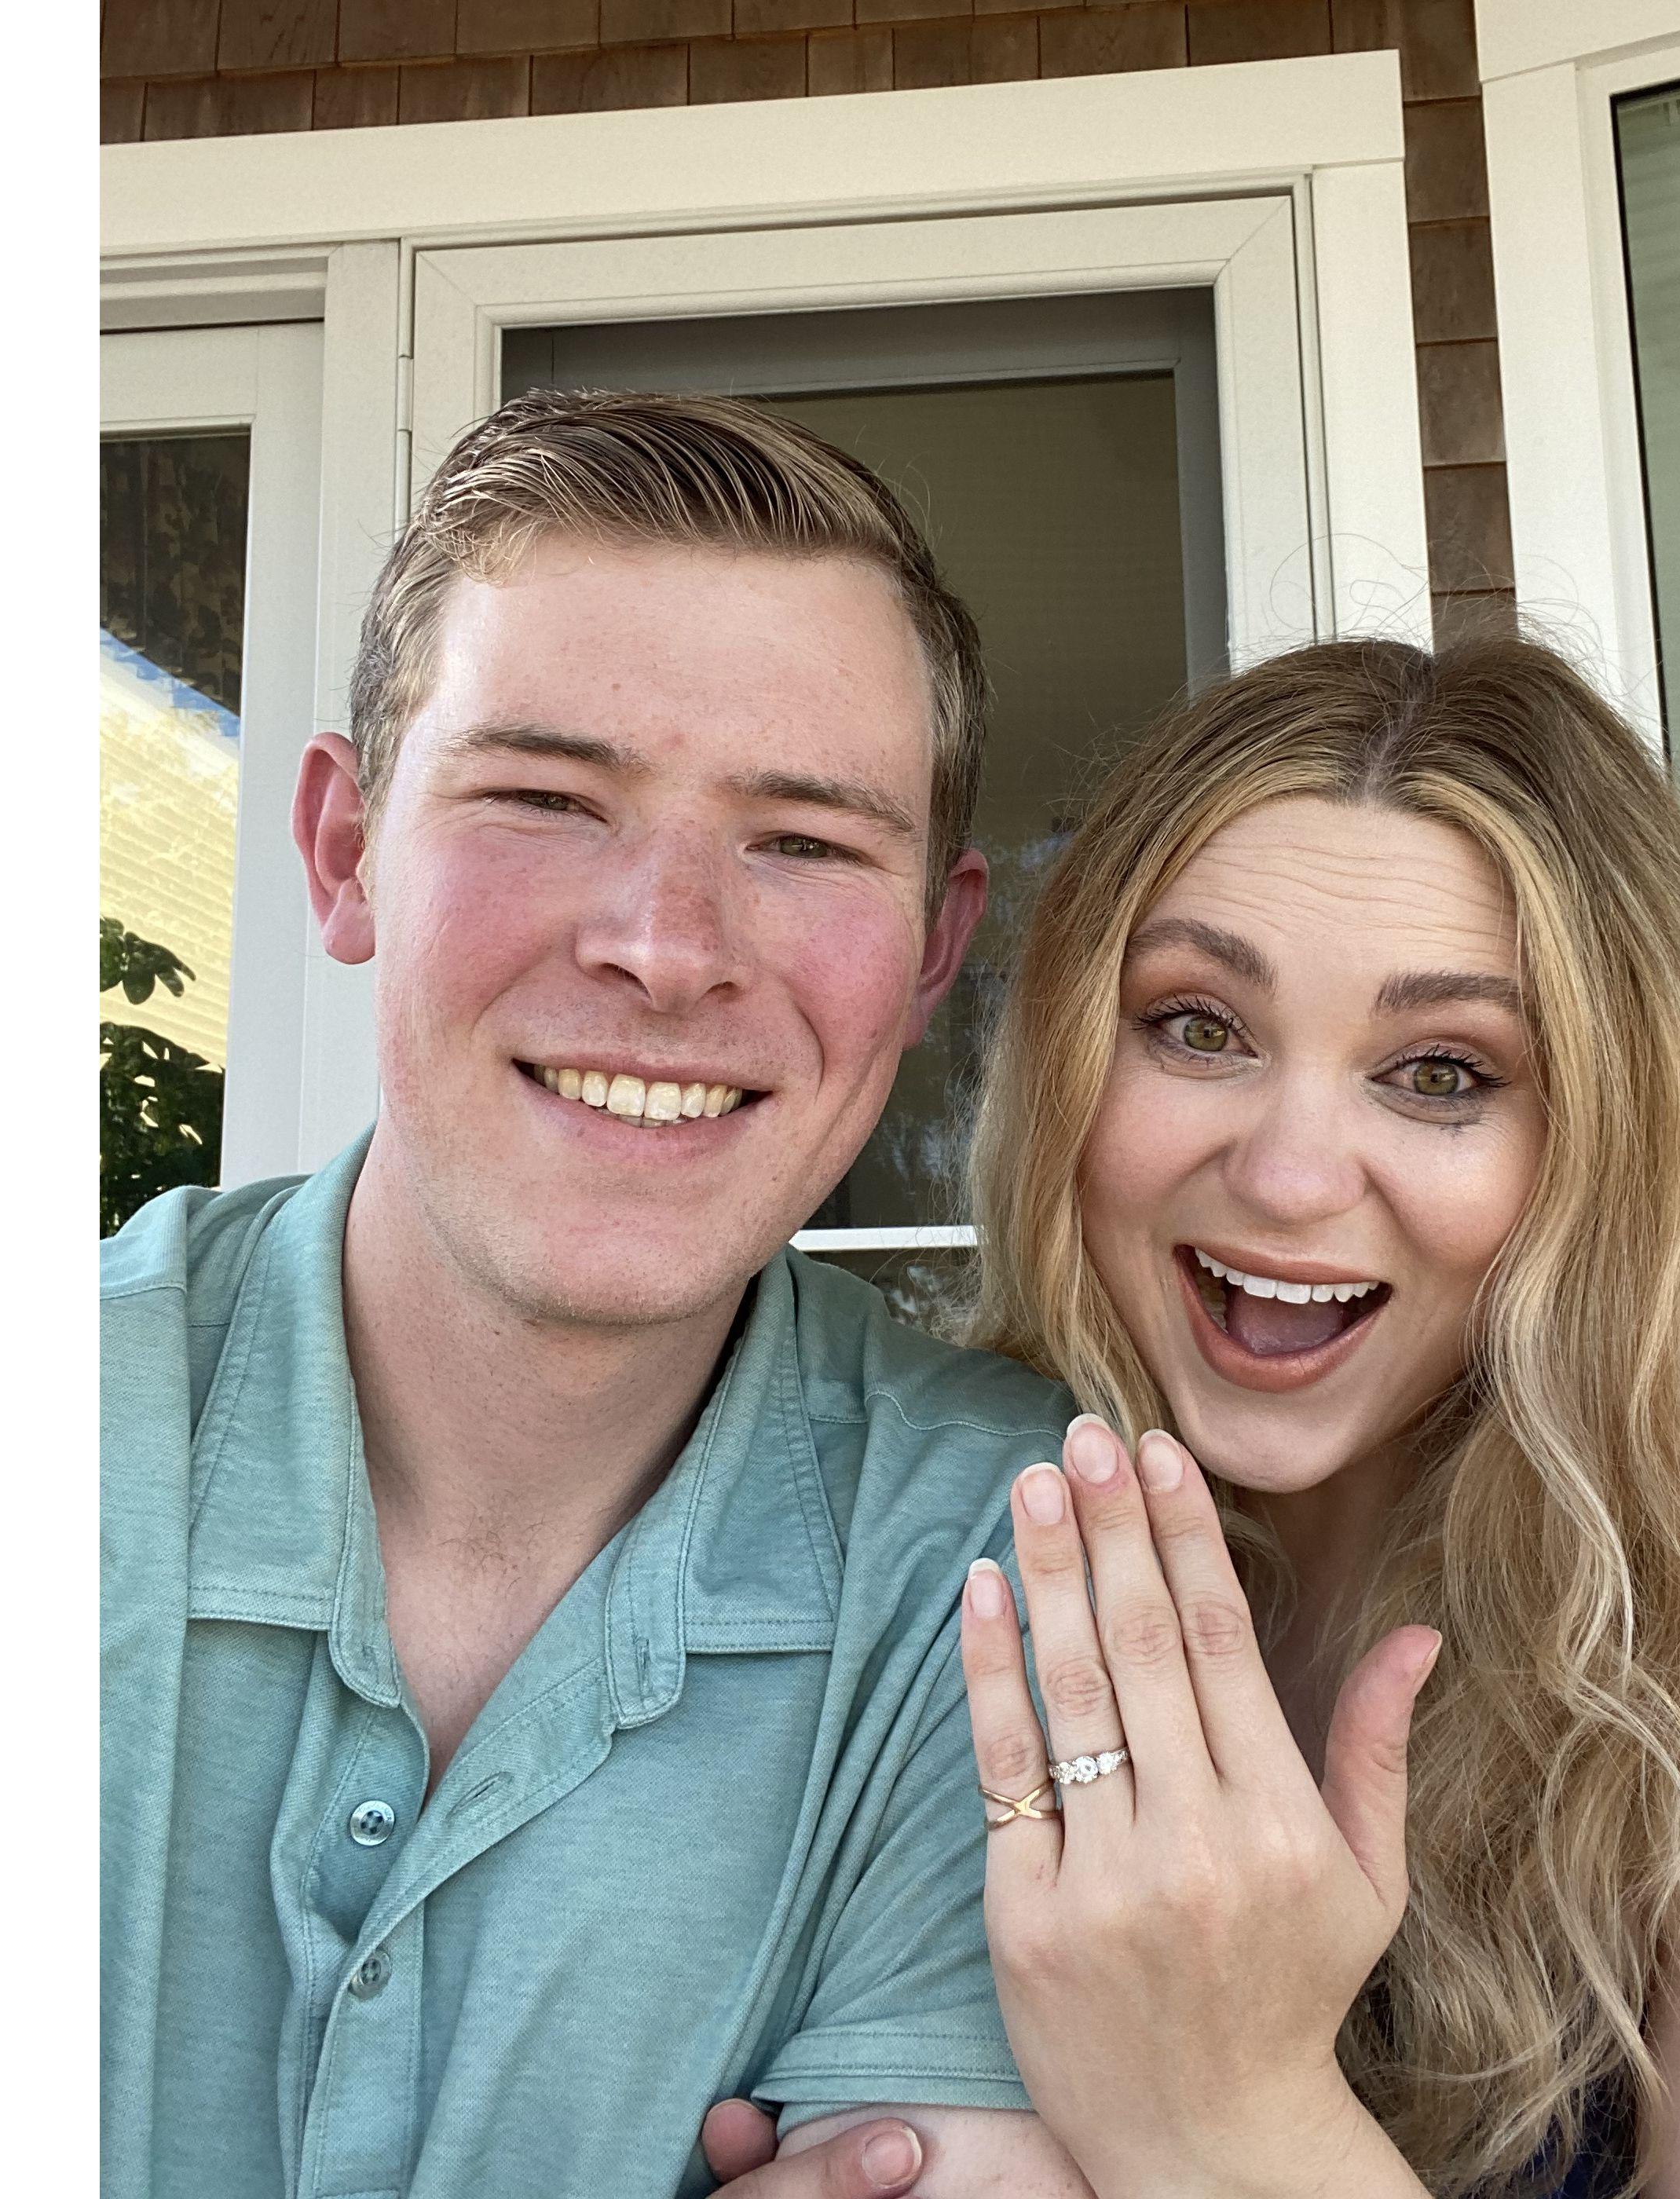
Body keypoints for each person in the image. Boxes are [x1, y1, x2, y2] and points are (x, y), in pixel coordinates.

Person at [707, 634, 1680, 2199]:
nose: (1285, 1176)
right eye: (1198, 1026)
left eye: (1440, 1072)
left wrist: (1234, 2120)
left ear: (1621, 1152)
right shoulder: (936, 1539)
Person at [101, 391, 1102, 2199]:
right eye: (546, 800)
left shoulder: (1008, 1548)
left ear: (933, 948)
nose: (664, 944)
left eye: (802, 840)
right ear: (342, 849)